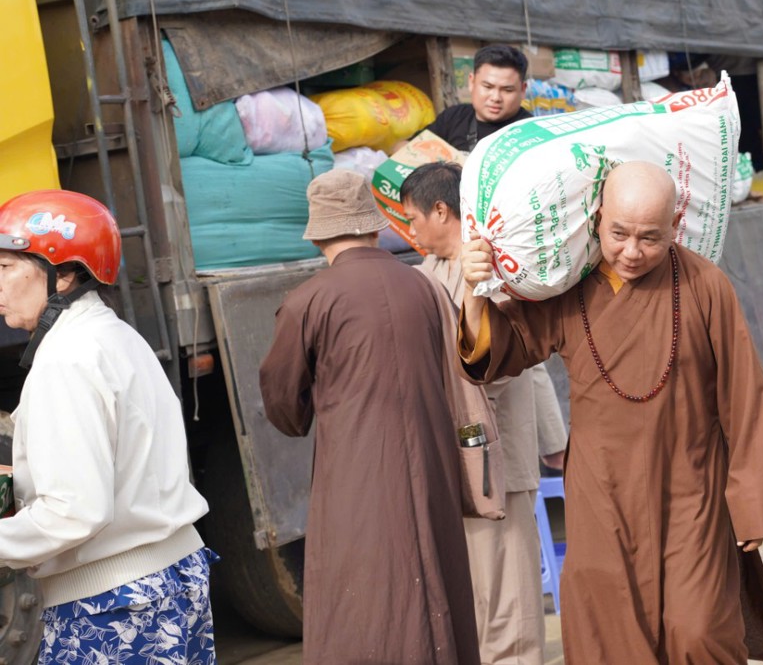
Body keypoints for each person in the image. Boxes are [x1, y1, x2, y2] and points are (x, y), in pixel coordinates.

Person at [458, 161, 763, 664]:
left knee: (700, 630)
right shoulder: (570, 283)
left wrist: (753, 502)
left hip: (691, 488)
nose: (632, 252)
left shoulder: (706, 286)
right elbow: (502, 350)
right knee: (610, 631)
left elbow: (746, 398)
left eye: (650, 237)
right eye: (619, 234)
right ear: (597, 218)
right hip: (602, 492)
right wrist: (473, 290)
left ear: (674, 226)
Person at [258, 169, 479, 664]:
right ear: (374, 227)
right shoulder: (425, 288)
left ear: (317, 235)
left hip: (358, 475)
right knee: (435, 586)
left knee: (366, 599)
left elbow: (285, 409)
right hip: (432, 467)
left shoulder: (308, 301)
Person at [0, 190, 215, 663]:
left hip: (113, 606)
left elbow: (74, 511)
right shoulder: (114, 335)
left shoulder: (65, 359)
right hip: (172, 581)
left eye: (5, 268)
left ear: (64, 274)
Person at [401, 162, 567, 664]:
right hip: (454, 461)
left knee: (509, 596)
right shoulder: (425, 277)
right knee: (473, 591)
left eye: (413, 218)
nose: (409, 231)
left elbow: (523, 366)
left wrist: (551, 440)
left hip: (498, 458)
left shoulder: (491, 271)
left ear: (441, 210)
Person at [423, 44, 533, 152]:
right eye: (487, 87)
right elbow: (411, 148)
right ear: (471, 82)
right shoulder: (452, 118)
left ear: (522, 90)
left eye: (507, 90)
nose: (495, 98)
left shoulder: (532, 133)